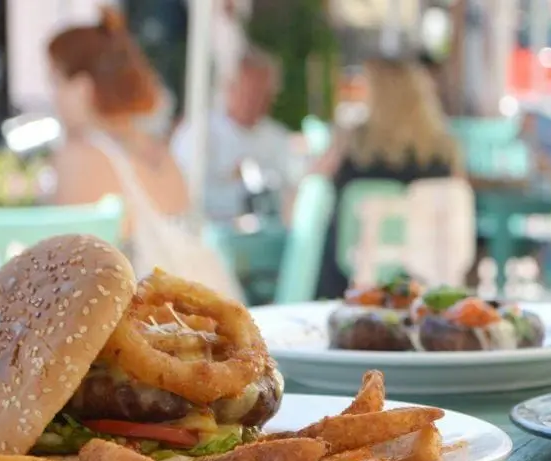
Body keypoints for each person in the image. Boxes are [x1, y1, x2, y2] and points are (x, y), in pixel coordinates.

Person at [48, 7, 242, 300]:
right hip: (204, 317)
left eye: (56, 83)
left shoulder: (83, 157)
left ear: (83, 87)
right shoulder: (160, 152)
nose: (54, 97)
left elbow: (64, 283)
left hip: (147, 331)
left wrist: (74, 132)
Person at [312, 58, 464, 299]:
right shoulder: (443, 153)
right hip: (425, 290)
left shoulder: (351, 146)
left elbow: (308, 202)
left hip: (346, 287)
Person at [171, 48, 299, 223]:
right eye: (249, 91)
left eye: (262, 93)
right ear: (229, 88)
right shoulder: (198, 133)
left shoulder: (278, 137)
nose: (255, 101)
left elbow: (291, 192)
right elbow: (186, 194)